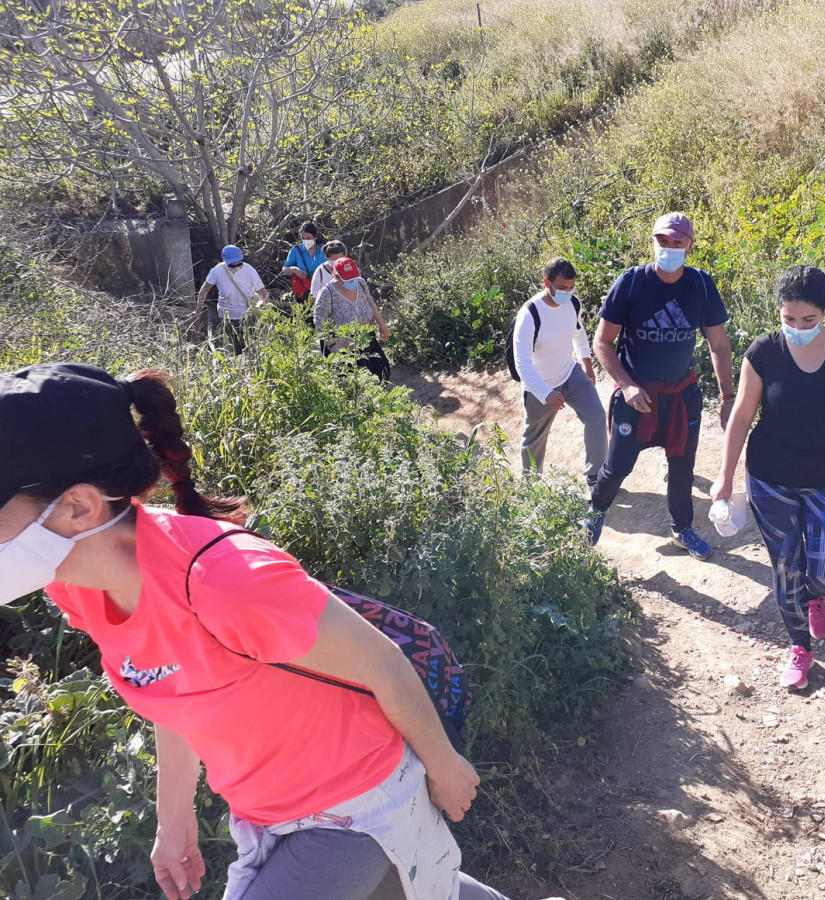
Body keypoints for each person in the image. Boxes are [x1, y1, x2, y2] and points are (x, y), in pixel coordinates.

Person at [0, 362, 564, 900]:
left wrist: (444, 765)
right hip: (269, 813)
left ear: (78, 507)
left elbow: (383, 663)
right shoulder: (76, 587)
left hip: (357, 802)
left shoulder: (225, 581)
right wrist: (174, 819)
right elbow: (175, 691)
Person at [712, 265, 825, 690]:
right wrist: (724, 478)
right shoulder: (762, 353)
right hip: (770, 476)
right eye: (788, 319)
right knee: (786, 566)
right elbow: (741, 417)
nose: (797, 328)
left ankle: (816, 595)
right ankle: (800, 647)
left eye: (808, 320)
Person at [584, 212, 734, 560]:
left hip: (681, 395)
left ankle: (682, 530)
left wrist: (727, 398)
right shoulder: (632, 282)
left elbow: (719, 345)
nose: (668, 248)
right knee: (618, 465)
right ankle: (595, 513)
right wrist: (626, 385)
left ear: (689, 246)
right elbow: (602, 343)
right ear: (652, 242)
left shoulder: (700, 285)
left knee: (682, 466)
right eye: (662, 242)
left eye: (676, 243)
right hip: (636, 396)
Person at [512, 257, 606, 488]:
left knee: (596, 415)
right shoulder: (529, 314)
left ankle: (596, 476)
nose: (567, 293)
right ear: (547, 283)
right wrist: (546, 393)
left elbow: (578, 332)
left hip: (569, 374)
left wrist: (587, 365)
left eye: (571, 287)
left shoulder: (573, 303)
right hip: (539, 385)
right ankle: (531, 489)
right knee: (534, 439)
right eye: (562, 288)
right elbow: (521, 364)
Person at [313, 257, 391, 382]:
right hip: (343, 344)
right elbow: (319, 322)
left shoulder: (360, 283)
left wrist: (382, 324)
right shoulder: (327, 293)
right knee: (352, 380)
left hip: (365, 335)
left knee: (381, 369)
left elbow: (371, 303)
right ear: (336, 276)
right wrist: (333, 346)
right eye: (348, 279)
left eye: (353, 277)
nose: (352, 281)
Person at [195, 245, 268, 355]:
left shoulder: (249, 270)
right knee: (236, 345)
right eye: (232, 264)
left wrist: (268, 308)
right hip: (227, 314)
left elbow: (262, 290)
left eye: (238, 264)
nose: (236, 266)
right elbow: (204, 290)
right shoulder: (217, 271)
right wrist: (198, 310)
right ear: (225, 261)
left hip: (248, 313)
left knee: (252, 342)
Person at [281, 222, 326, 316]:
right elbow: (285, 269)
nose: (306, 241)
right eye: (303, 238)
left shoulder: (324, 249)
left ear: (315, 237)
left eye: (308, 238)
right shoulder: (296, 250)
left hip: (324, 291)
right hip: (306, 293)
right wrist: (294, 269)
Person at [309, 239, 347, 303]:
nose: (337, 263)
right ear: (327, 258)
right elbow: (313, 297)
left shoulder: (351, 268)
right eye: (334, 260)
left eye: (340, 260)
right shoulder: (320, 271)